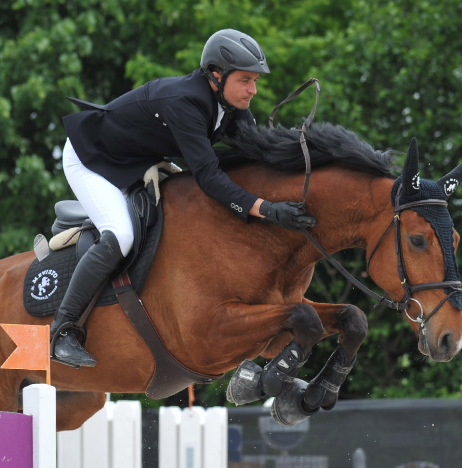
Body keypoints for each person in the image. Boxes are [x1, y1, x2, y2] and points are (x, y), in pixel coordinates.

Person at [51, 28, 318, 368]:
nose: (253, 90)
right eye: (246, 80)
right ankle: (62, 332)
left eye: (255, 81)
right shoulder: (185, 103)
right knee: (121, 234)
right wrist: (266, 210)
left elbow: (258, 151)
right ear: (216, 76)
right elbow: (209, 177)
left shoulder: (230, 103)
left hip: (136, 159)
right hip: (92, 160)